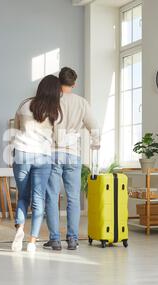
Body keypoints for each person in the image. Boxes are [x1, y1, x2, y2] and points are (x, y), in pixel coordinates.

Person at [44, 67, 100, 251]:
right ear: (74, 84)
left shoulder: (51, 101)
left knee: (52, 197)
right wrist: (95, 144)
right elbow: (95, 127)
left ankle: (55, 240)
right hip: (73, 154)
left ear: (59, 82)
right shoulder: (82, 103)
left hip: (53, 152)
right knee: (73, 198)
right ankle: (73, 239)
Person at [11, 75, 63, 253]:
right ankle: (32, 242)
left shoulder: (24, 105)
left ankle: (19, 230)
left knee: (23, 197)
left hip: (22, 154)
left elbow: (15, 128)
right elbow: (57, 139)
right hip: (43, 157)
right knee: (39, 199)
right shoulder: (56, 113)